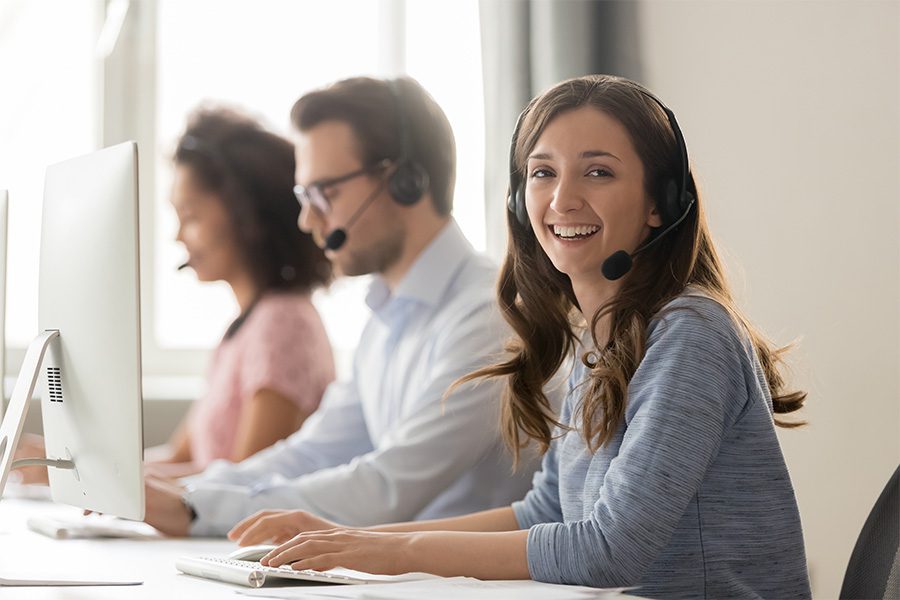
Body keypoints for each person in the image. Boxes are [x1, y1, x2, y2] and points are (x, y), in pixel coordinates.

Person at [227, 75, 812, 599]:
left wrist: (389, 554)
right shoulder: (598, 340)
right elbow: (546, 510)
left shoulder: (691, 333)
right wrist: (352, 538)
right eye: (543, 173)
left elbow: (612, 549)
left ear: (660, 204)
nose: (562, 199)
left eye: (598, 172)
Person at [139, 77, 541, 538]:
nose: (308, 220)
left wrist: (196, 509)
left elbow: (386, 486)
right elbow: (309, 453)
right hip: (400, 577)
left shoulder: (487, 317)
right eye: (303, 197)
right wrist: (180, 491)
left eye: (324, 193)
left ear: (405, 182)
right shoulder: (386, 323)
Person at [14, 108, 335, 483]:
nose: (178, 236)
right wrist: (73, 468)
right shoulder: (245, 327)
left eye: (191, 216)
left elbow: (244, 480)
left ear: (248, 216)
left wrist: (87, 476)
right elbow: (182, 457)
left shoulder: (283, 323)